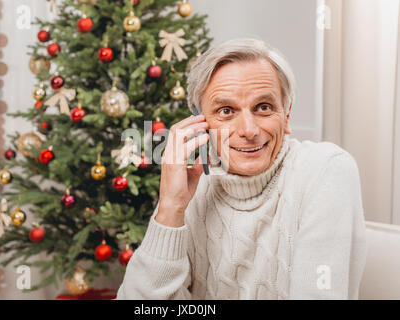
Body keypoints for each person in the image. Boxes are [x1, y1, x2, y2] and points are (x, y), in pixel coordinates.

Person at [116, 38, 367, 299]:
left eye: (264, 107)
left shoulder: (325, 170)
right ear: (200, 122)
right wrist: (171, 207)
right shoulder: (192, 183)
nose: (249, 130)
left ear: (287, 114)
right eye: (226, 110)